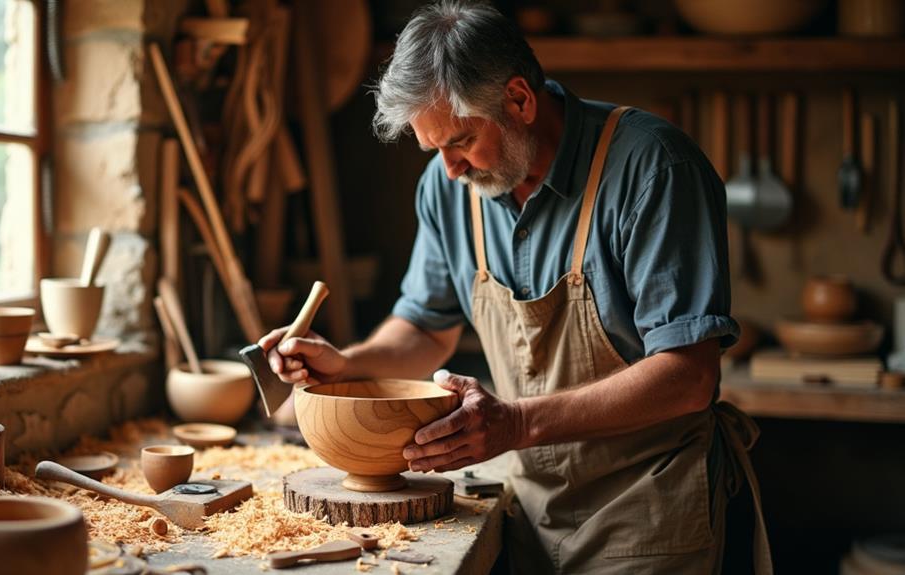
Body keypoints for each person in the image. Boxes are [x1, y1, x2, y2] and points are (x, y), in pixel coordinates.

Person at [258, 1, 771, 572]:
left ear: (520, 100)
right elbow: (425, 329)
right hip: (529, 507)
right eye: (434, 150)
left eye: (459, 142)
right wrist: (348, 365)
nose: (449, 169)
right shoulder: (449, 187)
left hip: (647, 509)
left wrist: (517, 422)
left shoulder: (652, 168)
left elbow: (689, 376)